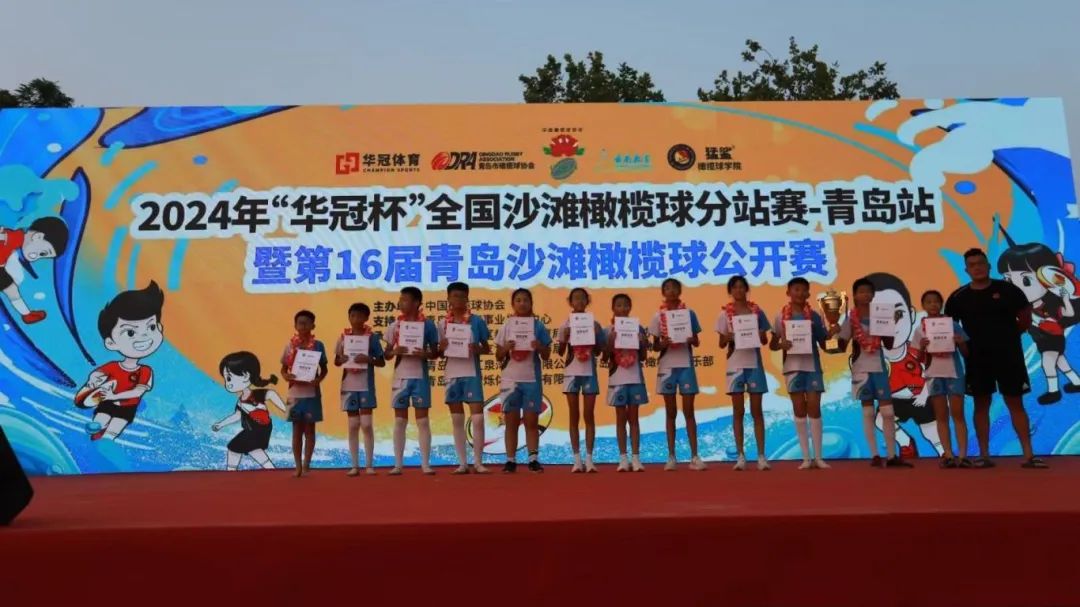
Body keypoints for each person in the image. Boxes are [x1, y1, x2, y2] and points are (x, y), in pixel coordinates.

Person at [944, 247, 1048, 468]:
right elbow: (949, 328)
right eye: (972, 265)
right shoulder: (957, 298)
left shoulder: (1009, 290)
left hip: (1009, 357)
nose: (977, 268)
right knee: (981, 405)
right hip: (977, 360)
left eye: (981, 263)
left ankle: (1028, 455)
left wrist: (1009, 337)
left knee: (1015, 403)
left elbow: (1025, 318)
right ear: (966, 270)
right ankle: (984, 455)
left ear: (988, 266)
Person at [74, 281, 165, 441]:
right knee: (99, 422)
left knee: (113, 431)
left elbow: (137, 392)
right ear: (111, 342)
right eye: (130, 332)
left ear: (159, 328)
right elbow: (96, 375)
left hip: (127, 407)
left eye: (151, 327)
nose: (144, 336)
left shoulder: (145, 371)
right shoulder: (112, 367)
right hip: (107, 402)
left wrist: (113, 396)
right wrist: (93, 381)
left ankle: (106, 442)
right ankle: (96, 433)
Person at [837, 277, 911, 468]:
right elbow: (841, 346)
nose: (865, 295)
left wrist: (889, 326)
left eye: (868, 292)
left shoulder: (880, 314)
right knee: (868, 412)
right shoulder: (850, 318)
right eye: (861, 292)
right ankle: (875, 455)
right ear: (854, 295)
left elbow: (889, 344)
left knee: (888, 412)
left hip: (879, 367)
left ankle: (892, 455)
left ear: (873, 295)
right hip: (861, 370)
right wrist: (836, 329)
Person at [770, 277, 835, 470]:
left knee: (814, 408)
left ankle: (819, 457)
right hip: (792, 368)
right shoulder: (780, 316)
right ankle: (806, 457)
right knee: (799, 409)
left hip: (812, 367)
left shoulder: (814, 316)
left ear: (808, 294)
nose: (799, 293)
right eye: (795, 289)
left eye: (803, 290)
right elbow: (772, 344)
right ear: (788, 293)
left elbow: (824, 343)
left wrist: (833, 333)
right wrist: (781, 344)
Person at [715, 275, 772, 471]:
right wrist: (729, 336)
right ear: (730, 291)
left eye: (742, 287)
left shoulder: (757, 312)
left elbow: (764, 340)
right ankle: (740, 455)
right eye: (735, 287)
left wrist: (759, 334)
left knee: (757, 411)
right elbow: (721, 343)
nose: (738, 290)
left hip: (754, 364)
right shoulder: (724, 314)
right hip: (735, 366)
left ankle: (761, 456)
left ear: (746, 289)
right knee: (738, 411)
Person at [649, 278, 706, 471]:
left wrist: (690, 339)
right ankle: (671, 456)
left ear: (680, 291)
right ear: (663, 292)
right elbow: (655, 346)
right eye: (667, 288)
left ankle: (695, 456)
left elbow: (696, 341)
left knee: (689, 411)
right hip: (667, 368)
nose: (671, 291)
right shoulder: (657, 316)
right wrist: (662, 344)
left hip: (685, 366)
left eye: (674, 288)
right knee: (670, 412)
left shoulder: (689, 314)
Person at [494, 288, 552, 473]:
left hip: (531, 380)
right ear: (513, 304)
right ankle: (510, 460)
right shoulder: (507, 325)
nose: (522, 303)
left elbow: (547, 355)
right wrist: (505, 348)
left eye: (526, 300)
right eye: (518, 300)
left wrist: (539, 346)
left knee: (531, 421)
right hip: (510, 381)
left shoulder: (538, 326)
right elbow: (498, 356)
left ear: (531, 303)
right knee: (511, 422)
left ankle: (533, 459)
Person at [436, 282, 492, 474]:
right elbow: (439, 354)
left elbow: (487, 348)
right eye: (455, 296)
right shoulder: (442, 324)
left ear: (467, 298)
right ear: (448, 299)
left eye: (462, 296)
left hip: (471, 373)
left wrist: (477, 348)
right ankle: (462, 463)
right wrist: (442, 348)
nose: (458, 299)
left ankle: (478, 462)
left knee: (477, 418)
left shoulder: (476, 321)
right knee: (457, 419)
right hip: (452, 375)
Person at [911, 290, 971, 468]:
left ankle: (963, 455)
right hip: (934, 375)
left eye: (936, 301)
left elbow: (966, 354)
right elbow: (918, 359)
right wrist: (922, 348)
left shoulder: (953, 325)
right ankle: (948, 454)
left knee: (958, 415)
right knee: (941, 416)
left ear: (941, 304)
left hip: (954, 374)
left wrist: (961, 343)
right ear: (923, 306)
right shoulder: (920, 330)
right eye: (929, 302)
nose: (933, 305)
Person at [385, 286, 440, 475]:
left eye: (405, 300)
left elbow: (436, 352)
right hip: (400, 378)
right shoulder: (394, 326)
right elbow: (386, 354)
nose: (401, 303)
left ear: (417, 303)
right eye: (400, 299)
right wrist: (394, 351)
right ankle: (398, 464)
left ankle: (425, 464)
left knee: (422, 421)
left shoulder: (428, 325)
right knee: (400, 421)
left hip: (420, 378)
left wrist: (425, 354)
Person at [212, 351, 287, 470]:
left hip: (259, 430)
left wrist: (286, 410)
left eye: (229, 378)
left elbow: (271, 394)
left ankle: (231, 472)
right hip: (252, 430)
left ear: (246, 375)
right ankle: (270, 470)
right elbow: (237, 416)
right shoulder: (241, 401)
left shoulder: (257, 395)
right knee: (252, 450)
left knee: (235, 447)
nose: (227, 384)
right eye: (226, 379)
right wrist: (221, 424)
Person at [334, 303, 385, 476]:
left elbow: (381, 361)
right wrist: (342, 359)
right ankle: (355, 465)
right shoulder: (343, 337)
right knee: (353, 425)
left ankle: (369, 465)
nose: (356, 319)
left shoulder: (372, 338)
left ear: (366, 318)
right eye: (353, 316)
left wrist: (369, 359)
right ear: (349, 317)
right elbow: (336, 361)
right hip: (349, 386)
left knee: (367, 424)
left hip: (366, 385)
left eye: (360, 316)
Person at [556, 287, 603, 473]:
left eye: (583, 298)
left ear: (587, 301)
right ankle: (576, 459)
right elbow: (560, 352)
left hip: (589, 373)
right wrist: (565, 338)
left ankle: (589, 459)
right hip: (571, 373)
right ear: (570, 302)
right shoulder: (565, 325)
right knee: (573, 415)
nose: (579, 302)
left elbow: (598, 352)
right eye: (576, 299)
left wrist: (596, 335)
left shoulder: (594, 324)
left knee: (589, 415)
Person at [280, 309, 328, 477]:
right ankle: (297, 466)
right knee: (296, 431)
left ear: (313, 325)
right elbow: (283, 369)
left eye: (307, 323)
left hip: (312, 394)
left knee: (310, 431)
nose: (303, 326)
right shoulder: (289, 345)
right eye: (300, 323)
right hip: (294, 394)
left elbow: (324, 368)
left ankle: (307, 464)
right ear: (295, 325)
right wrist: (286, 376)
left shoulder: (318, 345)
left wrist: (319, 379)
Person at [604, 293, 649, 472]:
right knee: (620, 419)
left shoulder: (638, 328)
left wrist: (642, 343)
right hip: (617, 380)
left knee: (634, 419)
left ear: (630, 308)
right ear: (613, 308)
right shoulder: (608, 330)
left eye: (625, 305)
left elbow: (643, 357)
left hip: (635, 378)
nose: (622, 308)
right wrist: (610, 342)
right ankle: (623, 458)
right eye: (618, 305)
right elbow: (604, 357)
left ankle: (636, 458)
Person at [0, 216, 68, 324]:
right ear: (38, 236)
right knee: (11, 289)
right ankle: (27, 315)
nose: (36, 257)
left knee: (12, 289)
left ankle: (27, 315)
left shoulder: (18, 241)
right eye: (42, 253)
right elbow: (5, 236)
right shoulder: (16, 237)